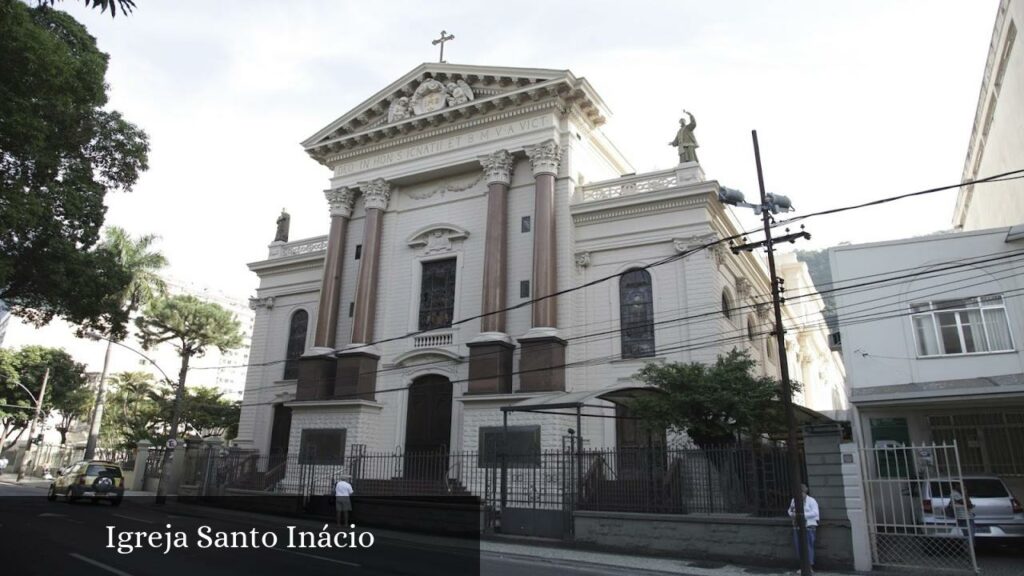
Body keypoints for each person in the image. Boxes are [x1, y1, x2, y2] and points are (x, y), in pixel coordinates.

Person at [788, 483, 820, 573]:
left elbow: (815, 513)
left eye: (801, 492)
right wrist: (793, 515)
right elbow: (789, 510)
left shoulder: (812, 501)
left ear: (805, 492)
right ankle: (802, 566)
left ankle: (809, 566)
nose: (800, 494)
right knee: (799, 546)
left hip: (808, 526)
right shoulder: (794, 500)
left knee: (808, 546)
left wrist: (802, 516)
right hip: (797, 526)